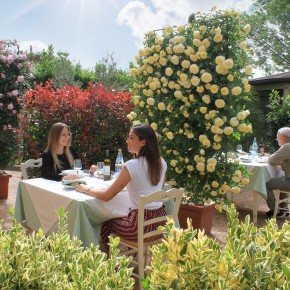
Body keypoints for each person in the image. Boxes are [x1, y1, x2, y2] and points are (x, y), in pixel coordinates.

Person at [76, 124, 167, 251]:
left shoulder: (132, 165)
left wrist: (85, 189)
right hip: (161, 224)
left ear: (143, 142)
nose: (127, 141)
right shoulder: (161, 162)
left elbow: (107, 196)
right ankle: (131, 256)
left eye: (131, 138)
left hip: (139, 227)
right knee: (122, 216)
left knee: (106, 223)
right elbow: (160, 187)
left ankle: (112, 265)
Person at [266, 127, 290, 218]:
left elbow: (271, 161)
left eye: (277, 137)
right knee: (280, 178)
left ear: (283, 138)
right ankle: (284, 209)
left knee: (265, 184)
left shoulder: (287, 146)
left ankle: (275, 210)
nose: (276, 139)